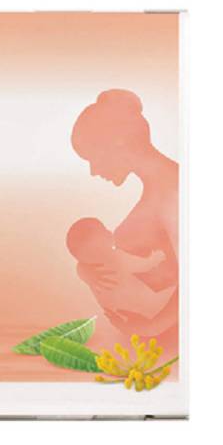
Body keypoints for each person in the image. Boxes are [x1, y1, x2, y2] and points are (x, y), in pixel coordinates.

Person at [70, 89, 178, 348]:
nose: (94, 171)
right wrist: (88, 271)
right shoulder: (159, 191)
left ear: (117, 143)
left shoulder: (172, 195)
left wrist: (152, 326)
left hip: (169, 346)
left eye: (92, 158)